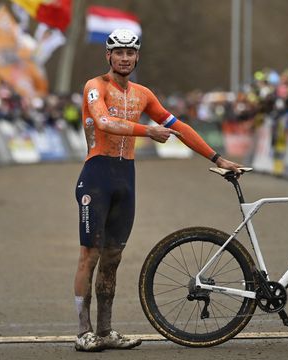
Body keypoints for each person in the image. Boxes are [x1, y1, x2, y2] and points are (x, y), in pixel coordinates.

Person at [73, 29, 242, 352]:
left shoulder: (143, 94)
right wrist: (147, 131)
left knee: (113, 258)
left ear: (137, 57)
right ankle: (84, 332)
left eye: (130, 53)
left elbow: (179, 127)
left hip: (125, 177)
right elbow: (104, 121)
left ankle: (105, 331)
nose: (124, 58)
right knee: (89, 255)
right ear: (108, 56)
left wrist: (217, 158)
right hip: (97, 176)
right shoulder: (95, 87)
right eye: (119, 53)